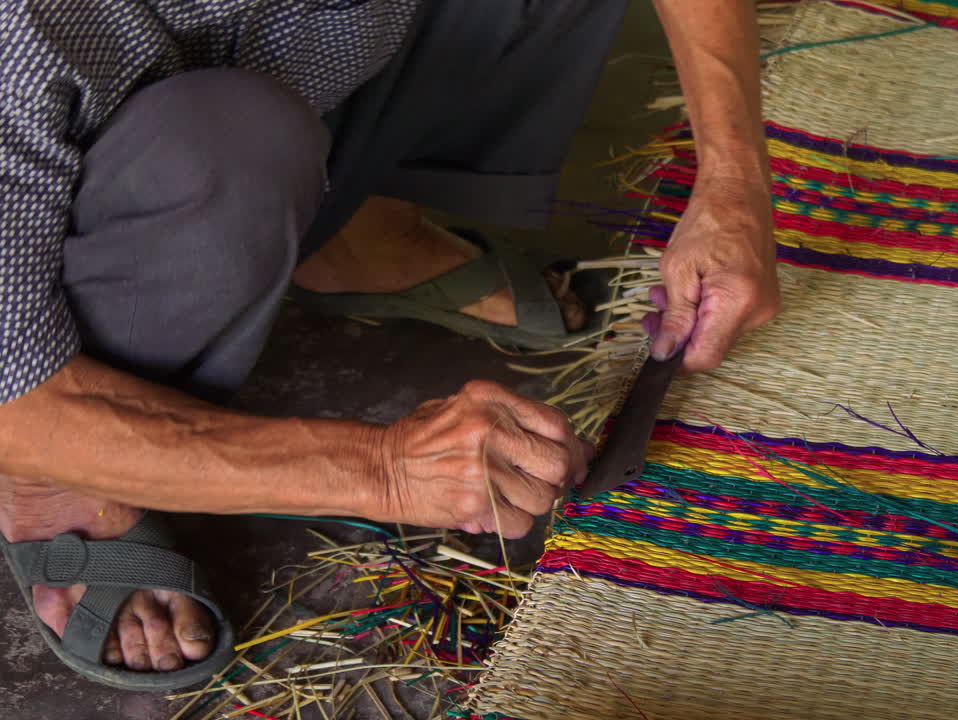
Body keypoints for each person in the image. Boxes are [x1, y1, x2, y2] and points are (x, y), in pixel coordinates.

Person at [0, 0, 779, 689]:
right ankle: (46, 485)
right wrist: (383, 471)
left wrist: (734, 182)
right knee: (223, 141)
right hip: (112, 190)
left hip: (279, 63)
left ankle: (364, 229)